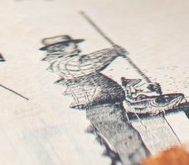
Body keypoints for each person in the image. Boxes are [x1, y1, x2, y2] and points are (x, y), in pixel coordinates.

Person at [40, 35, 149, 165]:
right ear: (58, 48)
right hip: (101, 110)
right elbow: (87, 64)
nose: (76, 46)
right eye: (70, 44)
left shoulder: (63, 63)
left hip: (107, 109)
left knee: (124, 143)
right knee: (128, 142)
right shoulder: (62, 64)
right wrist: (112, 52)